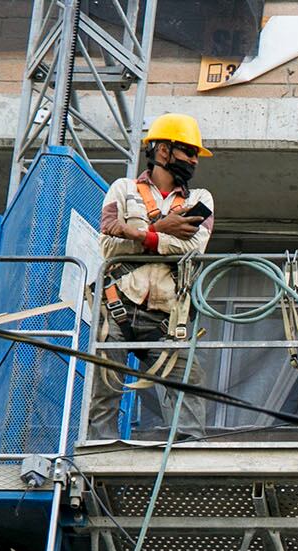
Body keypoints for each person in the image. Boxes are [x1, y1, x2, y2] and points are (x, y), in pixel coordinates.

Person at [87, 112, 215, 442]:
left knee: (187, 381)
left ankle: (186, 451)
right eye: (188, 152)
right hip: (119, 304)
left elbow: (193, 247)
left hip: (169, 315)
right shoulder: (123, 189)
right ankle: (100, 448)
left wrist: (137, 233)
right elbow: (108, 246)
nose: (193, 161)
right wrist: (161, 229)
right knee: (105, 386)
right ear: (163, 151)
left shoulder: (200, 200)